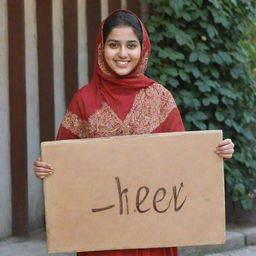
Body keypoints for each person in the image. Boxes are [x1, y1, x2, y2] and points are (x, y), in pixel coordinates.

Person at [34, 9, 235, 256]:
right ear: (101, 48)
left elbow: (184, 161)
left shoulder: (160, 98)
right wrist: (46, 168)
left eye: (131, 45)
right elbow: (63, 162)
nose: (122, 54)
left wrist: (216, 153)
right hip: (101, 236)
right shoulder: (83, 100)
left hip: (154, 233)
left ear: (143, 48)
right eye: (113, 45)